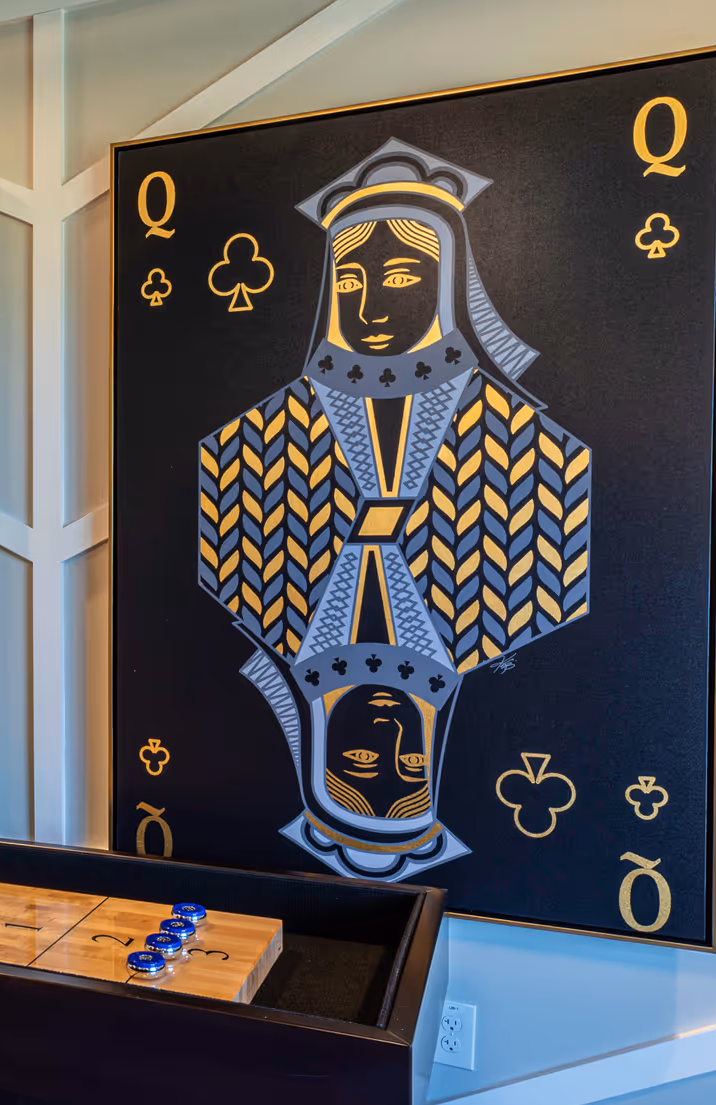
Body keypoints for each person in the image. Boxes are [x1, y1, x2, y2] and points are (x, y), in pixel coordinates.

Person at [195, 139, 591, 881]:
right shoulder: (259, 436)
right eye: (351, 277)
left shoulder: (519, 435)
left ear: (445, 282)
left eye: (404, 275)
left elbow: (547, 558)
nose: (373, 304)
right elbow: (233, 538)